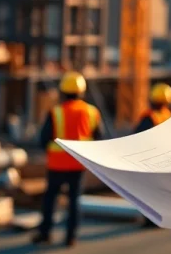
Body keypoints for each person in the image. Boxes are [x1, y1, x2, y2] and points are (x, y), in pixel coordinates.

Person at [33, 71, 104, 247]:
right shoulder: (92, 112)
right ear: (82, 91)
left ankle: (45, 234)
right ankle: (70, 237)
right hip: (78, 165)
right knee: (74, 201)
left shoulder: (55, 112)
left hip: (56, 165)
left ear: (63, 91)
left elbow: (43, 139)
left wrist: (50, 152)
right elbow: (98, 139)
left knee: (50, 199)